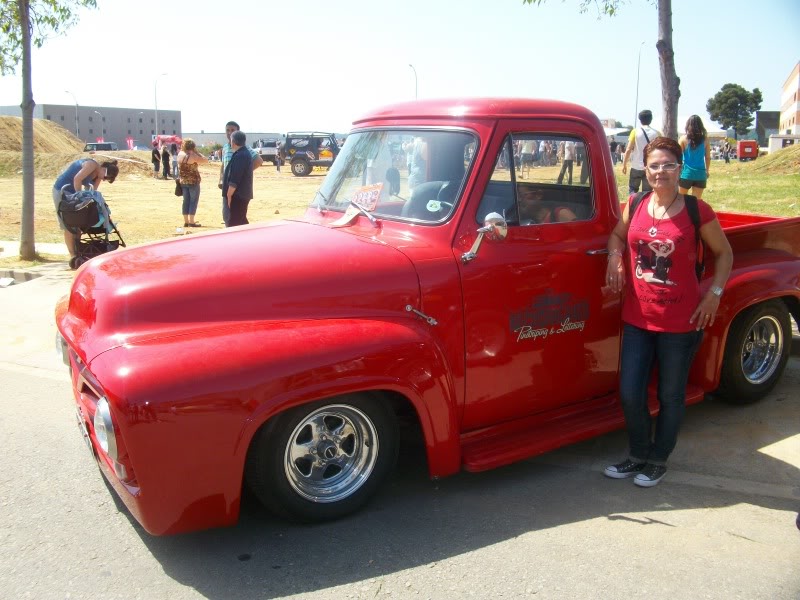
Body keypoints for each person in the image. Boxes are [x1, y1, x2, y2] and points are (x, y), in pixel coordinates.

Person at [604, 136, 733, 487]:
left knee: (670, 395)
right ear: (645, 170)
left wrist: (714, 295)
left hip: (682, 321)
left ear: (679, 169)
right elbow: (617, 236)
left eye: (668, 165)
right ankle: (637, 454)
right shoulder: (636, 202)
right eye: (654, 165)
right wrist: (615, 258)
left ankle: (658, 459)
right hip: (638, 318)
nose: (661, 171)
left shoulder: (696, 210)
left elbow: (724, 254)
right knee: (630, 392)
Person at [52, 158, 119, 257]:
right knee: (69, 225)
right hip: (61, 190)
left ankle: (78, 252)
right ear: (104, 169)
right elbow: (77, 179)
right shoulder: (92, 165)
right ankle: (73, 256)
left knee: (78, 224)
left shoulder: (99, 175)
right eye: (106, 177)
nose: (104, 179)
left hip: (72, 193)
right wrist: (79, 198)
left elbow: (93, 192)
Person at [218, 121, 263, 226]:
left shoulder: (244, 149)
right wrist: (221, 179)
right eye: (227, 130)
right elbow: (223, 164)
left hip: (236, 188)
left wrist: (243, 173)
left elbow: (259, 161)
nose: (229, 133)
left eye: (232, 130)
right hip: (229, 185)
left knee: (234, 217)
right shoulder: (225, 147)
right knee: (229, 214)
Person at [622, 109, 661, 194]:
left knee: (633, 190)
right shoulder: (657, 133)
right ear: (651, 119)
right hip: (649, 166)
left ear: (640, 120)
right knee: (647, 192)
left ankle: (633, 205)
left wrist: (624, 164)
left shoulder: (635, 131)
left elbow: (628, 149)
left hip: (636, 166)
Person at [222, 130, 254, 227]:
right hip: (242, 194)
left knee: (235, 222)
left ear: (233, 141)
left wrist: (229, 194)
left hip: (238, 195)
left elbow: (235, 177)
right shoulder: (243, 153)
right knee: (241, 220)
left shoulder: (240, 155)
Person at [678, 115, 711, 200]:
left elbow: (678, 157)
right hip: (700, 173)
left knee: (681, 200)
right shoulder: (705, 139)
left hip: (686, 173)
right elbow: (707, 157)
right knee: (696, 201)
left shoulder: (683, 139)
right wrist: (707, 171)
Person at [177, 138, 208, 228]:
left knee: (186, 201)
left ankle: (186, 221)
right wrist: (197, 152)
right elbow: (205, 160)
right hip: (193, 181)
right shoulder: (193, 156)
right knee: (193, 201)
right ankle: (192, 221)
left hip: (183, 181)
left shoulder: (180, 154)